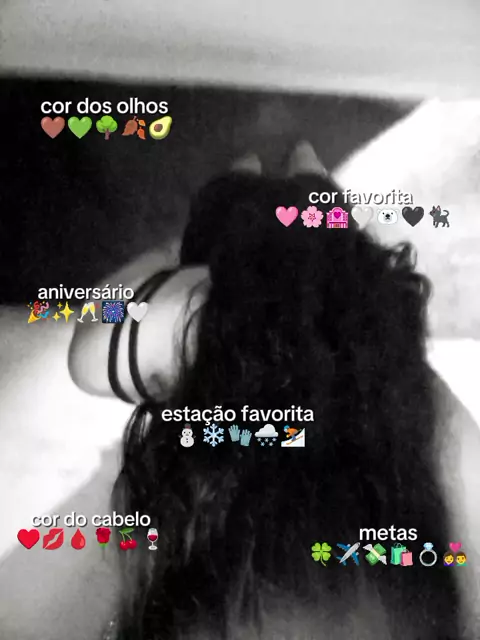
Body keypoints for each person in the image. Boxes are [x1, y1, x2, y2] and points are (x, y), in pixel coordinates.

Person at [70, 143, 469, 639]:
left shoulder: (196, 323)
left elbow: (94, 336)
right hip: (282, 340)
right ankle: (279, 207)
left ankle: (279, 206)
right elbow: (94, 339)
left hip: (285, 336)